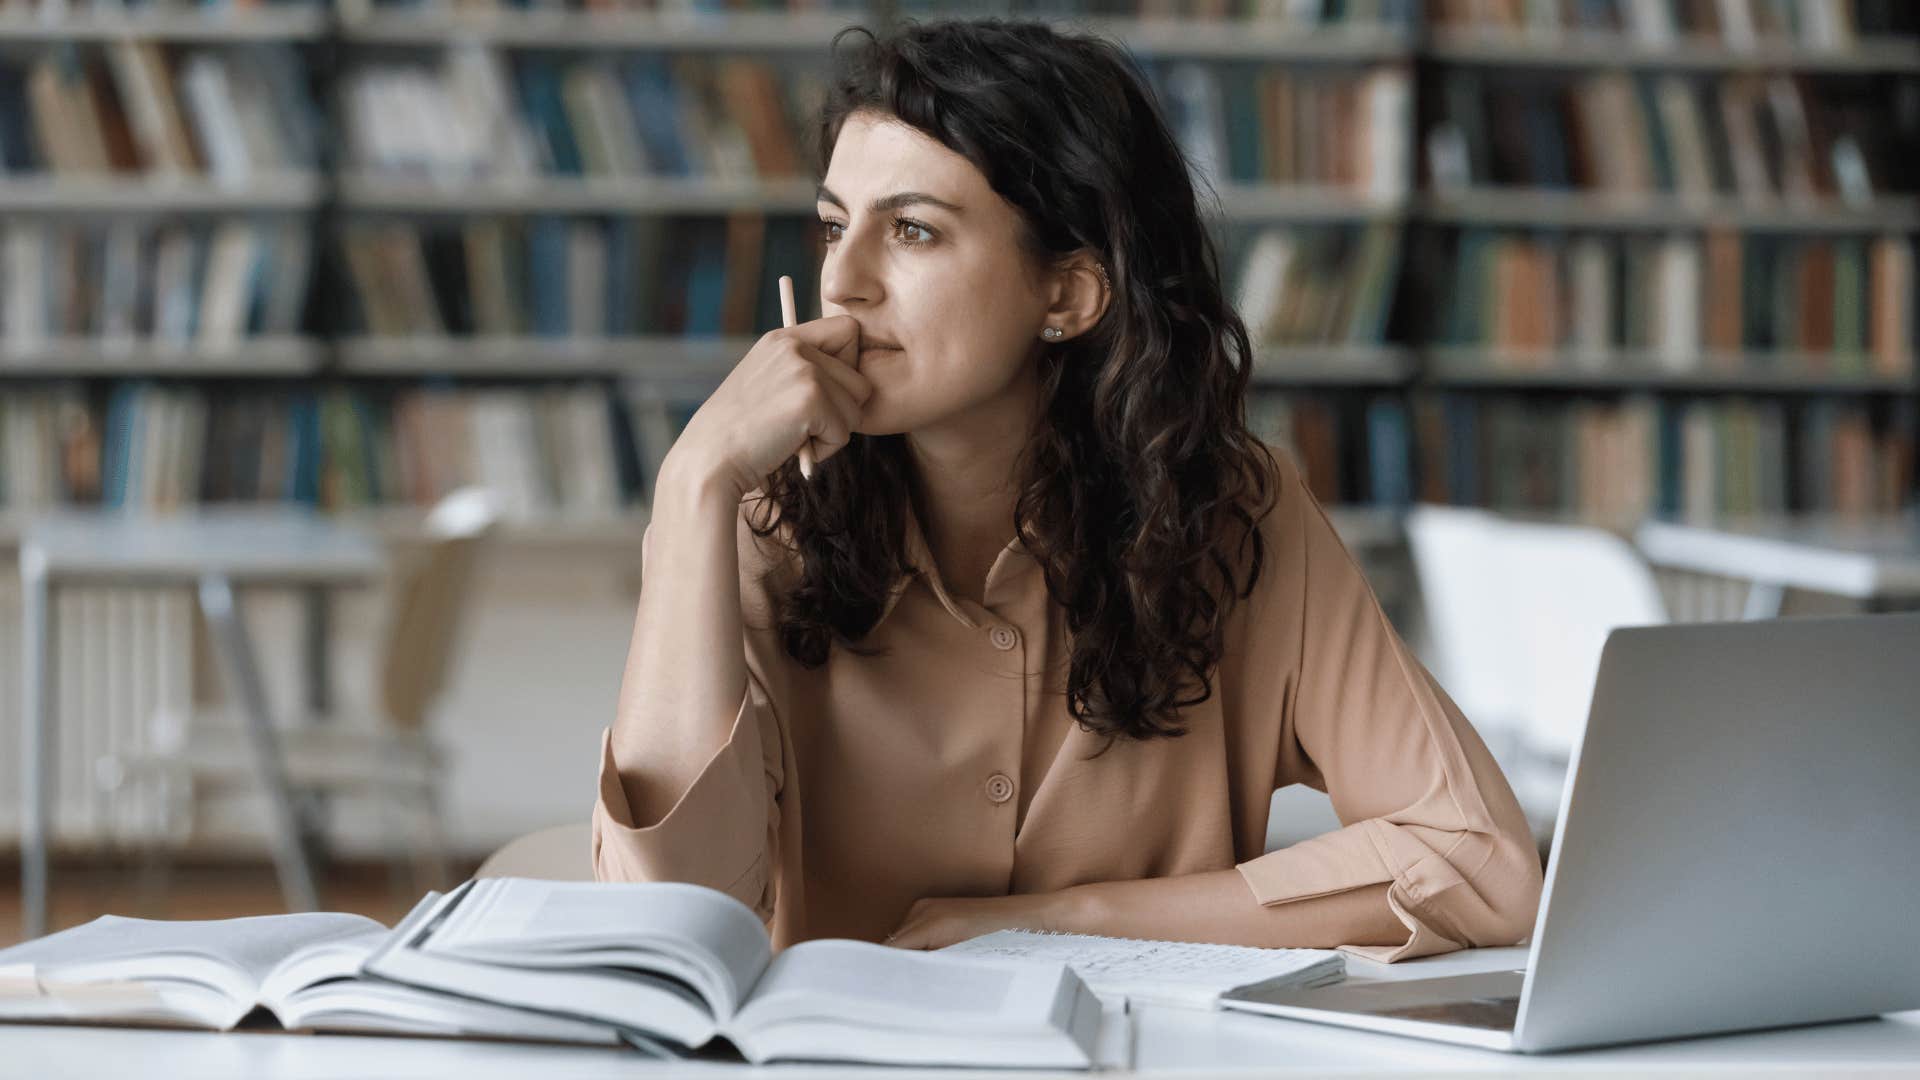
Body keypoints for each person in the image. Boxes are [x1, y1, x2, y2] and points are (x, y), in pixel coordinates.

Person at [592, 17, 1542, 963]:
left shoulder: (1235, 514)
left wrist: (1067, 917)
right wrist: (691, 487)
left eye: (912, 230)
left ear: (1068, 295)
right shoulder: (759, 521)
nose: (845, 281)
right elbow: (667, 932)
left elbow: (1480, 861)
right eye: (836, 225)